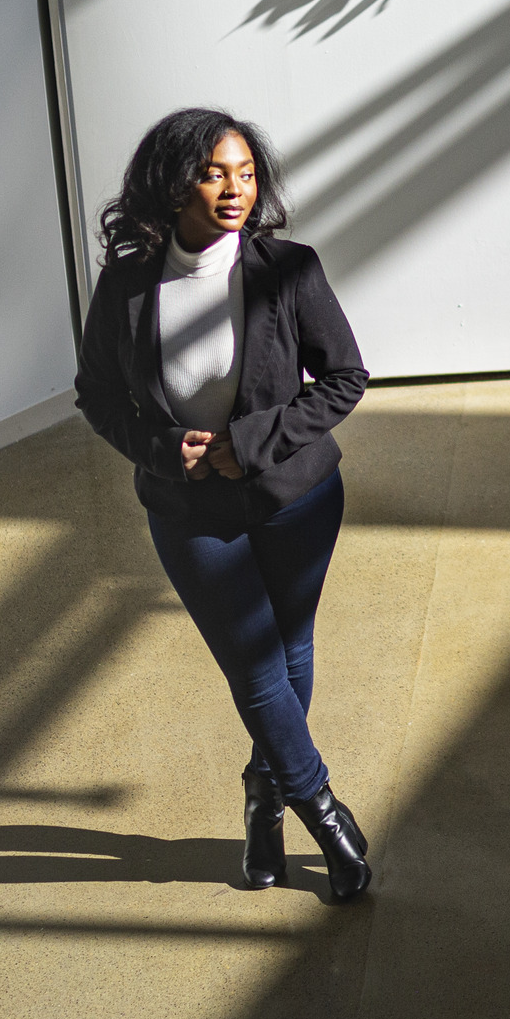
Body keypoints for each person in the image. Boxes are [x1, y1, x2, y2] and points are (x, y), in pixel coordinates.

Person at [74, 108, 374, 900]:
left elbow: (345, 377)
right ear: (174, 185)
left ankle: (262, 797)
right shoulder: (129, 285)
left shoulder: (290, 270)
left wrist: (253, 440)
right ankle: (323, 812)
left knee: (291, 650)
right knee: (257, 670)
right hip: (189, 509)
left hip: (296, 495)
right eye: (214, 173)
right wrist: (154, 447)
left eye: (245, 172)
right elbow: (97, 393)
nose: (234, 188)